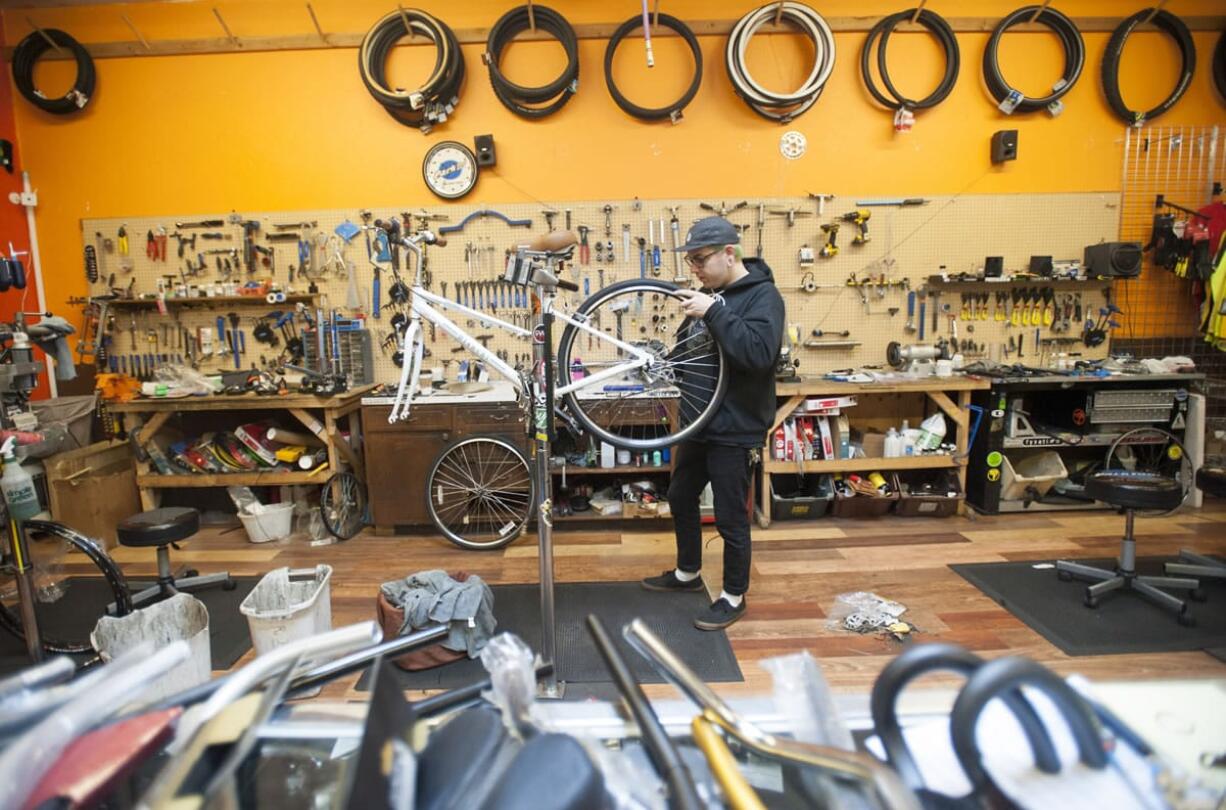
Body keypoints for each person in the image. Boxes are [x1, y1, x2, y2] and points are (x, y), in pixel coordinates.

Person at [640, 216, 785, 630]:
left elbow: (758, 354)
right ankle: (688, 573)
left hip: (735, 428)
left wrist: (715, 313)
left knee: (729, 515)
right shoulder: (708, 296)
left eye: (701, 259)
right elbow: (689, 353)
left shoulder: (764, 297)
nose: (696, 269)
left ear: (729, 253)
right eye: (691, 262)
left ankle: (733, 595)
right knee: (681, 494)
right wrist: (657, 363)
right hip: (699, 422)